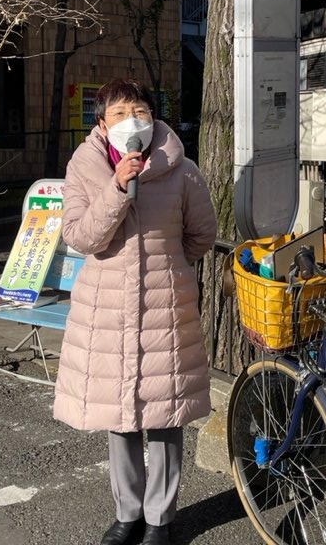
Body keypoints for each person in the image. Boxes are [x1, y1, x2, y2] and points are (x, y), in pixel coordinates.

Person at [53, 78, 217, 545]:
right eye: (120, 113)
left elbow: (202, 234)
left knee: (165, 416)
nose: (132, 121)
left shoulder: (182, 170)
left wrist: (171, 266)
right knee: (119, 417)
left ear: (154, 118)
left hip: (166, 306)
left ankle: (160, 520)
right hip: (106, 309)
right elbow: (80, 236)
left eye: (140, 111)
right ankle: (128, 514)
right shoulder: (84, 167)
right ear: (102, 125)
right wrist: (117, 187)